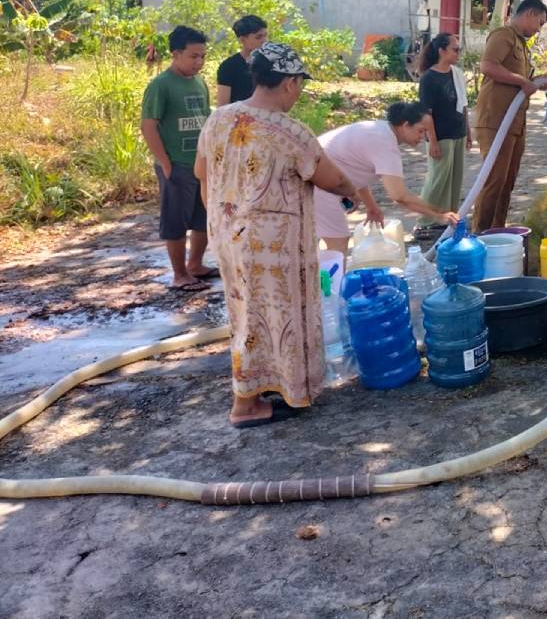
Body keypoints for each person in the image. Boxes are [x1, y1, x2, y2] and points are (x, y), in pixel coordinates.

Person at [195, 42, 359, 428]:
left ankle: (273, 390)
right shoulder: (288, 131)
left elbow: (203, 175)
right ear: (288, 83)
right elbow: (331, 178)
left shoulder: (218, 119)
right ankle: (246, 403)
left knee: (248, 315)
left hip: (229, 236)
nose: (299, 91)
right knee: (277, 317)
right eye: (299, 83)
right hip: (273, 244)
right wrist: (353, 191)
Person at [313, 102, 460, 254]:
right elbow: (400, 196)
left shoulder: (380, 130)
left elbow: (357, 169)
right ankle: (328, 277)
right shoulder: (385, 143)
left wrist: (371, 207)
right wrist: (439, 215)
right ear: (405, 125)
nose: (423, 138)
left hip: (317, 173)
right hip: (317, 181)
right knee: (337, 242)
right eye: (421, 131)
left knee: (315, 240)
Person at [140, 25, 217, 291]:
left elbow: (206, 120)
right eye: (193, 56)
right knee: (175, 221)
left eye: (203, 56)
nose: (199, 62)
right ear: (176, 54)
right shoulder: (161, 85)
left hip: (201, 164)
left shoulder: (199, 82)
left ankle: (196, 265)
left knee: (203, 218)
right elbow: (148, 125)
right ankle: (180, 274)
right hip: (176, 164)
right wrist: (164, 162)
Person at [473, 0, 547, 233]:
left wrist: (535, 83)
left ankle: (497, 232)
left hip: (514, 123)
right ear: (528, 14)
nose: (538, 30)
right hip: (496, 119)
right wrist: (521, 81)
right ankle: (480, 233)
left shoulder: (520, 43)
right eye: (539, 23)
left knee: (506, 182)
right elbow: (488, 65)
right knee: (493, 181)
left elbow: (518, 80)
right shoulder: (503, 35)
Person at [417, 33, 472, 224]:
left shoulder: (456, 74)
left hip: (458, 132)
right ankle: (425, 220)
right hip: (441, 135)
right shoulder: (429, 78)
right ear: (441, 51)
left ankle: (448, 219)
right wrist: (432, 141)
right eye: (455, 49)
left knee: (454, 182)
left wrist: (468, 131)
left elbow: (463, 104)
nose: (458, 53)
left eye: (459, 49)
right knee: (438, 181)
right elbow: (426, 113)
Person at [215, 15, 268, 106]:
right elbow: (222, 106)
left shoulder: (271, 63)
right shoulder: (229, 67)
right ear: (243, 40)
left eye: (265, 35)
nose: (264, 40)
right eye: (258, 37)